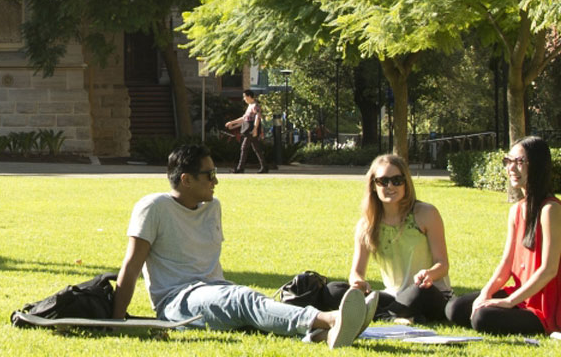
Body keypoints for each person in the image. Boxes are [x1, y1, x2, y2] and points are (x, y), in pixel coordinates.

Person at [111, 143, 373, 346]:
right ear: (186, 180)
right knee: (242, 299)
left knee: (249, 304)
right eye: (209, 175)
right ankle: (330, 318)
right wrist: (115, 320)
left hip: (215, 291)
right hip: (177, 301)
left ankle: (323, 334)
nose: (216, 181)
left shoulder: (212, 207)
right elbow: (132, 265)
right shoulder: (153, 207)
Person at [449, 136, 561, 336]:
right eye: (509, 161)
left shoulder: (551, 210)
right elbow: (507, 263)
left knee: (482, 318)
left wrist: (509, 302)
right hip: (522, 297)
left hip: (546, 309)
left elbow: (549, 270)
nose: (511, 168)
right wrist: (486, 294)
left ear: (537, 166)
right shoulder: (517, 210)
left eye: (519, 162)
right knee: (455, 309)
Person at [320, 154, 452, 323]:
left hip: (428, 292)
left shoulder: (426, 214)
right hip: (394, 295)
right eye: (383, 181)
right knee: (334, 290)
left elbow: (443, 264)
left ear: (406, 183)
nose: (390, 186)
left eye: (397, 180)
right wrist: (358, 283)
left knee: (418, 292)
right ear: (374, 185)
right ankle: (397, 315)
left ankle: (380, 315)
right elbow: (357, 272)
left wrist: (429, 274)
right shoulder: (367, 225)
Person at [226, 90, 270, 174]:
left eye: (244, 96)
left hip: (251, 131)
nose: (244, 99)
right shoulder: (250, 106)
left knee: (244, 148)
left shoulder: (255, 106)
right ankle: (264, 167)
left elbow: (257, 118)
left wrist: (255, 129)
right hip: (248, 130)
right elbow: (244, 119)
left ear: (249, 96)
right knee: (256, 148)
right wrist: (232, 123)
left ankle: (240, 168)